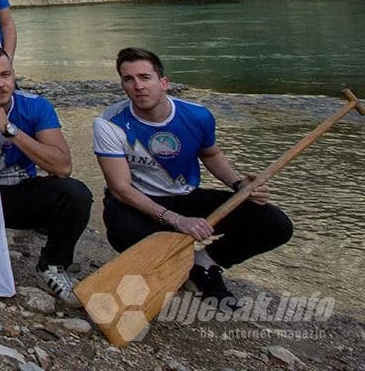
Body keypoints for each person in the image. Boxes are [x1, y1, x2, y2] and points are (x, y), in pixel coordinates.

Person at [94, 47, 294, 302]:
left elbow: (210, 154)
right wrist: (176, 220)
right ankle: (168, 269)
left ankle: (205, 263)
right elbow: (121, 189)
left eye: (145, 77)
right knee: (124, 233)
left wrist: (239, 184)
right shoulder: (109, 123)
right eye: (128, 79)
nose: (138, 86)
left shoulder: (197, 115)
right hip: (136, 203)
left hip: (185, 197)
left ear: (163, 83)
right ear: (123, 85)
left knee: (275, 224)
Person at [0, 45, 92, 307]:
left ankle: (52, 266)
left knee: (76, 193)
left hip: (20, 192)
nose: (1, 84)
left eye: (6, 74)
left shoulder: (36, 107)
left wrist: (10, 129)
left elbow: (62, 167)